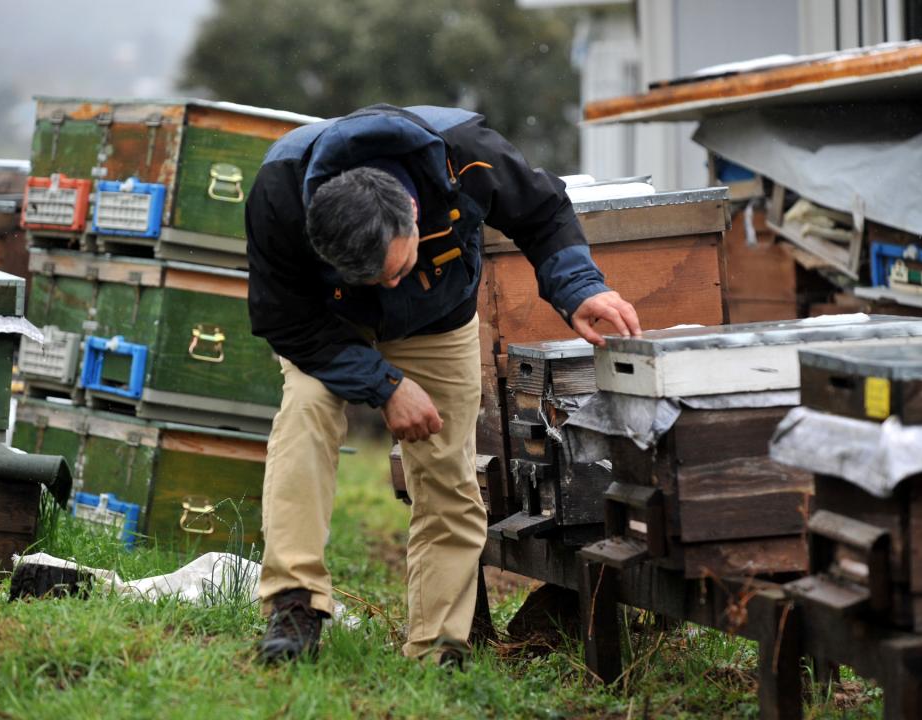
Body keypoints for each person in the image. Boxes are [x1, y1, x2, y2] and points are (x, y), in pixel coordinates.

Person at [245, 104, 641, 666]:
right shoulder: (279, 192)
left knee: (448, 471)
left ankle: (438, 647)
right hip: (330, 327)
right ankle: (294, 607)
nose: (386, 283)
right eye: (371, 276)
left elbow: (543, 211)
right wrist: (385, 386)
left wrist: (579, 288)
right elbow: (281, 319)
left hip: (438, 318)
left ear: (411, 211)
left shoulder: (467, 153)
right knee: (306, 413)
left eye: (394, 268)